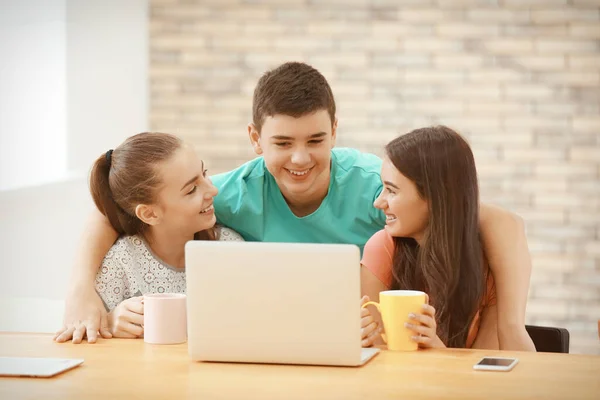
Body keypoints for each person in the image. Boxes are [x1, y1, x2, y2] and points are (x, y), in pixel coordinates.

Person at [57, 62, 533, 346]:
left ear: (335, 132)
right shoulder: (225, 193)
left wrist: (509, 321)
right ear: (254, 139)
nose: (300, 158)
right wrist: (81, 289)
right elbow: (112, 213)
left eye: (316, 139)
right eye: (282, 142)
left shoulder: (375, 184)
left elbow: (492, 218)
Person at [360, 126, 535, 351]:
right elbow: (380, 358)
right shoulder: (383, 248)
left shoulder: (486, 263)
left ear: (434, 197)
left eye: (392, 191)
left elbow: (484, 372)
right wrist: (364, 342)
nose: (379, 202)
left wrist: (437, 351)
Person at [54, 132, 242, 341]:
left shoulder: (230, 247)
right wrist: (111, 321)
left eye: (204, 173)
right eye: (191, 190)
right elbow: (88, 332)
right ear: (150, 213)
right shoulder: (122, 262)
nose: (213, 190)